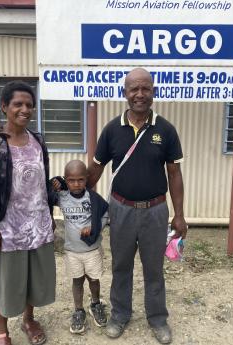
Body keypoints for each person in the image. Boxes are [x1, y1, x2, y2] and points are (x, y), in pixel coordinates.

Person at [87, 67, 188, 344]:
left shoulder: (165, 130)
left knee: (154, 267)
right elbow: (95, 168)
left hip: (155, 211)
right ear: (125, 93)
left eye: (145, 88)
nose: (140, 94)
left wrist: (179, 215)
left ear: (153, 92)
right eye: (134, 89)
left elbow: (174, 173)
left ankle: (157, 319)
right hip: (120, 210)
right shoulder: (112, 130)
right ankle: (120, 315)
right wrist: (77, 194)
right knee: (121, 265)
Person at [0, 81, 56, 345]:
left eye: (29, 105)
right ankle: (2, 331)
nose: (25, 109)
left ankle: (28, 320)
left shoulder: (37, 140)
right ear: (4, 107)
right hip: (8, 226)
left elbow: (40, 182)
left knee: (33, 277)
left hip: (38, 223)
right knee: (8, 281)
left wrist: (50, 214)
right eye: (18, 104)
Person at [51, 160, 109, 335]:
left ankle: (95, 304)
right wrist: (55, 182)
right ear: (66, 180)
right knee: (77, 280)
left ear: (87, 179)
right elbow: (44, 194)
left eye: (81, 180)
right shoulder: (62, 197)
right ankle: (78, 310)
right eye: (71, 180)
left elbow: (106, 212)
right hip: (72, 251)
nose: (76, 184)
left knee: (93, 279)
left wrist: (94, 227)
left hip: (91, 249)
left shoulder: (92, 198)